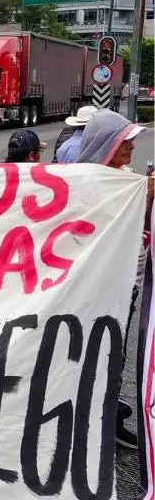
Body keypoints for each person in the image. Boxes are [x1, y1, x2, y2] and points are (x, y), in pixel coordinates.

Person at [76, 108, 153, 450]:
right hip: (98, 285)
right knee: (93, 352)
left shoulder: (129, 177)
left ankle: (107, 417)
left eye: (133, 141)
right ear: (107, 143)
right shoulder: (88, 181)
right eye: (125, 142)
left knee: (115, 353)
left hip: (128, 283)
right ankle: (89, 422)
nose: (131, 147)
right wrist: (142, 196)